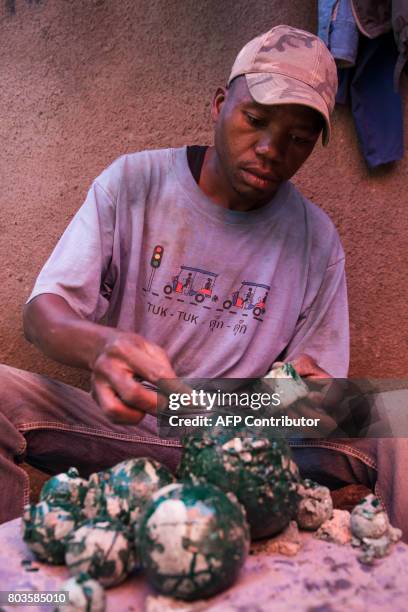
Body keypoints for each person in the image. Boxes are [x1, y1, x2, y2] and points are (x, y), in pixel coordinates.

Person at [0, 25, 406, 540]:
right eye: (254, 119)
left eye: (298, 139)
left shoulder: (316, 240)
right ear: (219, 105)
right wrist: (102, 347)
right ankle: (20, 579)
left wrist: (307, 384)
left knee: (400, 416)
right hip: (130, 422)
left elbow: (316, 387)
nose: (269, 148)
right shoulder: (133, 184)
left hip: (246, 439)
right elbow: (42, 313)